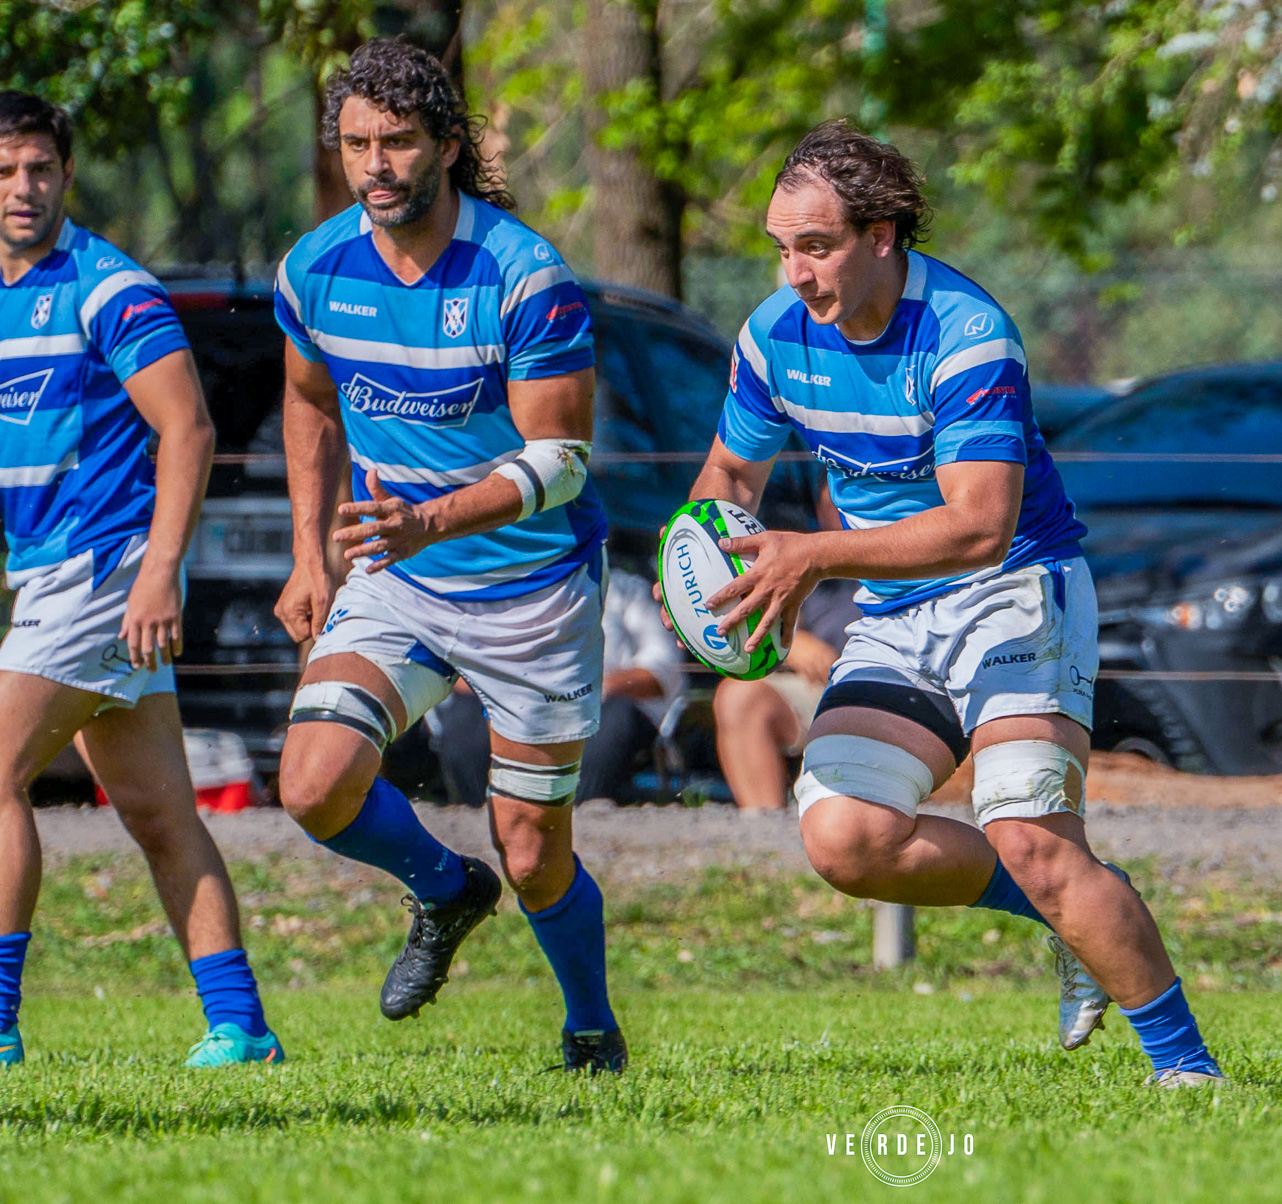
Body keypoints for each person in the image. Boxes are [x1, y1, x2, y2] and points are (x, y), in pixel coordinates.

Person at [680, 120, 1223, 1086]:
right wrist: (697, 556)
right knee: (846, 837)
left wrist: (809, 556)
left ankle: (1188, 1072)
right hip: (895, 612)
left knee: (1033, 837)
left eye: (816, 247)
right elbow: (729, 472)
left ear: (881, 235)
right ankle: (1066, 913)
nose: (793, 273)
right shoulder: (772, 335)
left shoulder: (967, 334)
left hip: (1016, 593)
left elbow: (979, 525)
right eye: (780, 247)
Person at [270, 40, 624, 1073]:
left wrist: (435, 519)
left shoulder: (525, 276)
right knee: (313, 782)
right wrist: (310, 557)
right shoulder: (314, 267)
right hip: (399, 580)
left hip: (532, 587)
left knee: (531, 847)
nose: (374, 165)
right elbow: (306, 400)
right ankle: (441, 885)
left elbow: (561, 462)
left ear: (449, 145)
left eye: (398, 142)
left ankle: (591, 1025)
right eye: (355, 144)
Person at [0, 91, 282, 1067]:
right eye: (5, 171)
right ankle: (240, 1024)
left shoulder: (106, 287)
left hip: (105, 567)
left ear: (68, 175)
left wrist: (159, 570)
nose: (23, 188)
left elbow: (188, 428)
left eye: (39, 168)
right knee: (163, 813)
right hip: (54, 574)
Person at [432, 568, 683, 804]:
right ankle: (484, 811)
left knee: (615, 716)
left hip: (598, 702)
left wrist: (587, 688)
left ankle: (582, 814)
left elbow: (662, 670)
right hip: (513, 701)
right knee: (465, 715)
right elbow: (459, 668)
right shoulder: (504, 586)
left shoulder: (626, 590)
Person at [712, 578, 858, 811]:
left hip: (909, 681)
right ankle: (765, 831)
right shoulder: (799, 545)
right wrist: (785, 639)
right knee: (739, 698)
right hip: (826, 684)